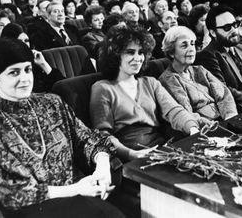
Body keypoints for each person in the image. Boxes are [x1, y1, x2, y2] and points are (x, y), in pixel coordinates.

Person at [0, 38, 124, 218]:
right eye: (14, 73)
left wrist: (102, 165)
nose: (25, 79)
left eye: (28, 69)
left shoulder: (51, 103)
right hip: (35, 209)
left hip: (82, 195)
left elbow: (86, 138)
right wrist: (77, 189)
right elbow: (11, 194)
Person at [90, 27, 211, 161]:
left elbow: (174, 111)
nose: (137, 58)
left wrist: (193, 129)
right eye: (130, 52)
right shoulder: (102, 88)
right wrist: (130, 154)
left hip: (163, 148)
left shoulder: (150, 83)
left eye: (141, 53)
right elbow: (103, 135)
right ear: (115, 55)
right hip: (130, 158)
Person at [195, 5, 242, 111]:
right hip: (241, 110)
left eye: (235, 25)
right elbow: (222, 90)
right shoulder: (207, 55)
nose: (234, 30)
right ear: (213, 33)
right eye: (227, 27)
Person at [159, 26, 237, 121]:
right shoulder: (169, 80)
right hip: (204, 128)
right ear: (171, 52)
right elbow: (186, 113)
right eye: (184, 45)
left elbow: (224, 94)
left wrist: (230, 117)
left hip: (226, 119)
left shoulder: (200, 70)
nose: (191, 49)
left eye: (192, 44)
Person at [2, 23, 65, 92]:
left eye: (26, 41)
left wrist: (43, 64)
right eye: (19, 41)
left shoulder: (35, 62)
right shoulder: (4, 68)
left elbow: (62, 86)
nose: (24, 45)